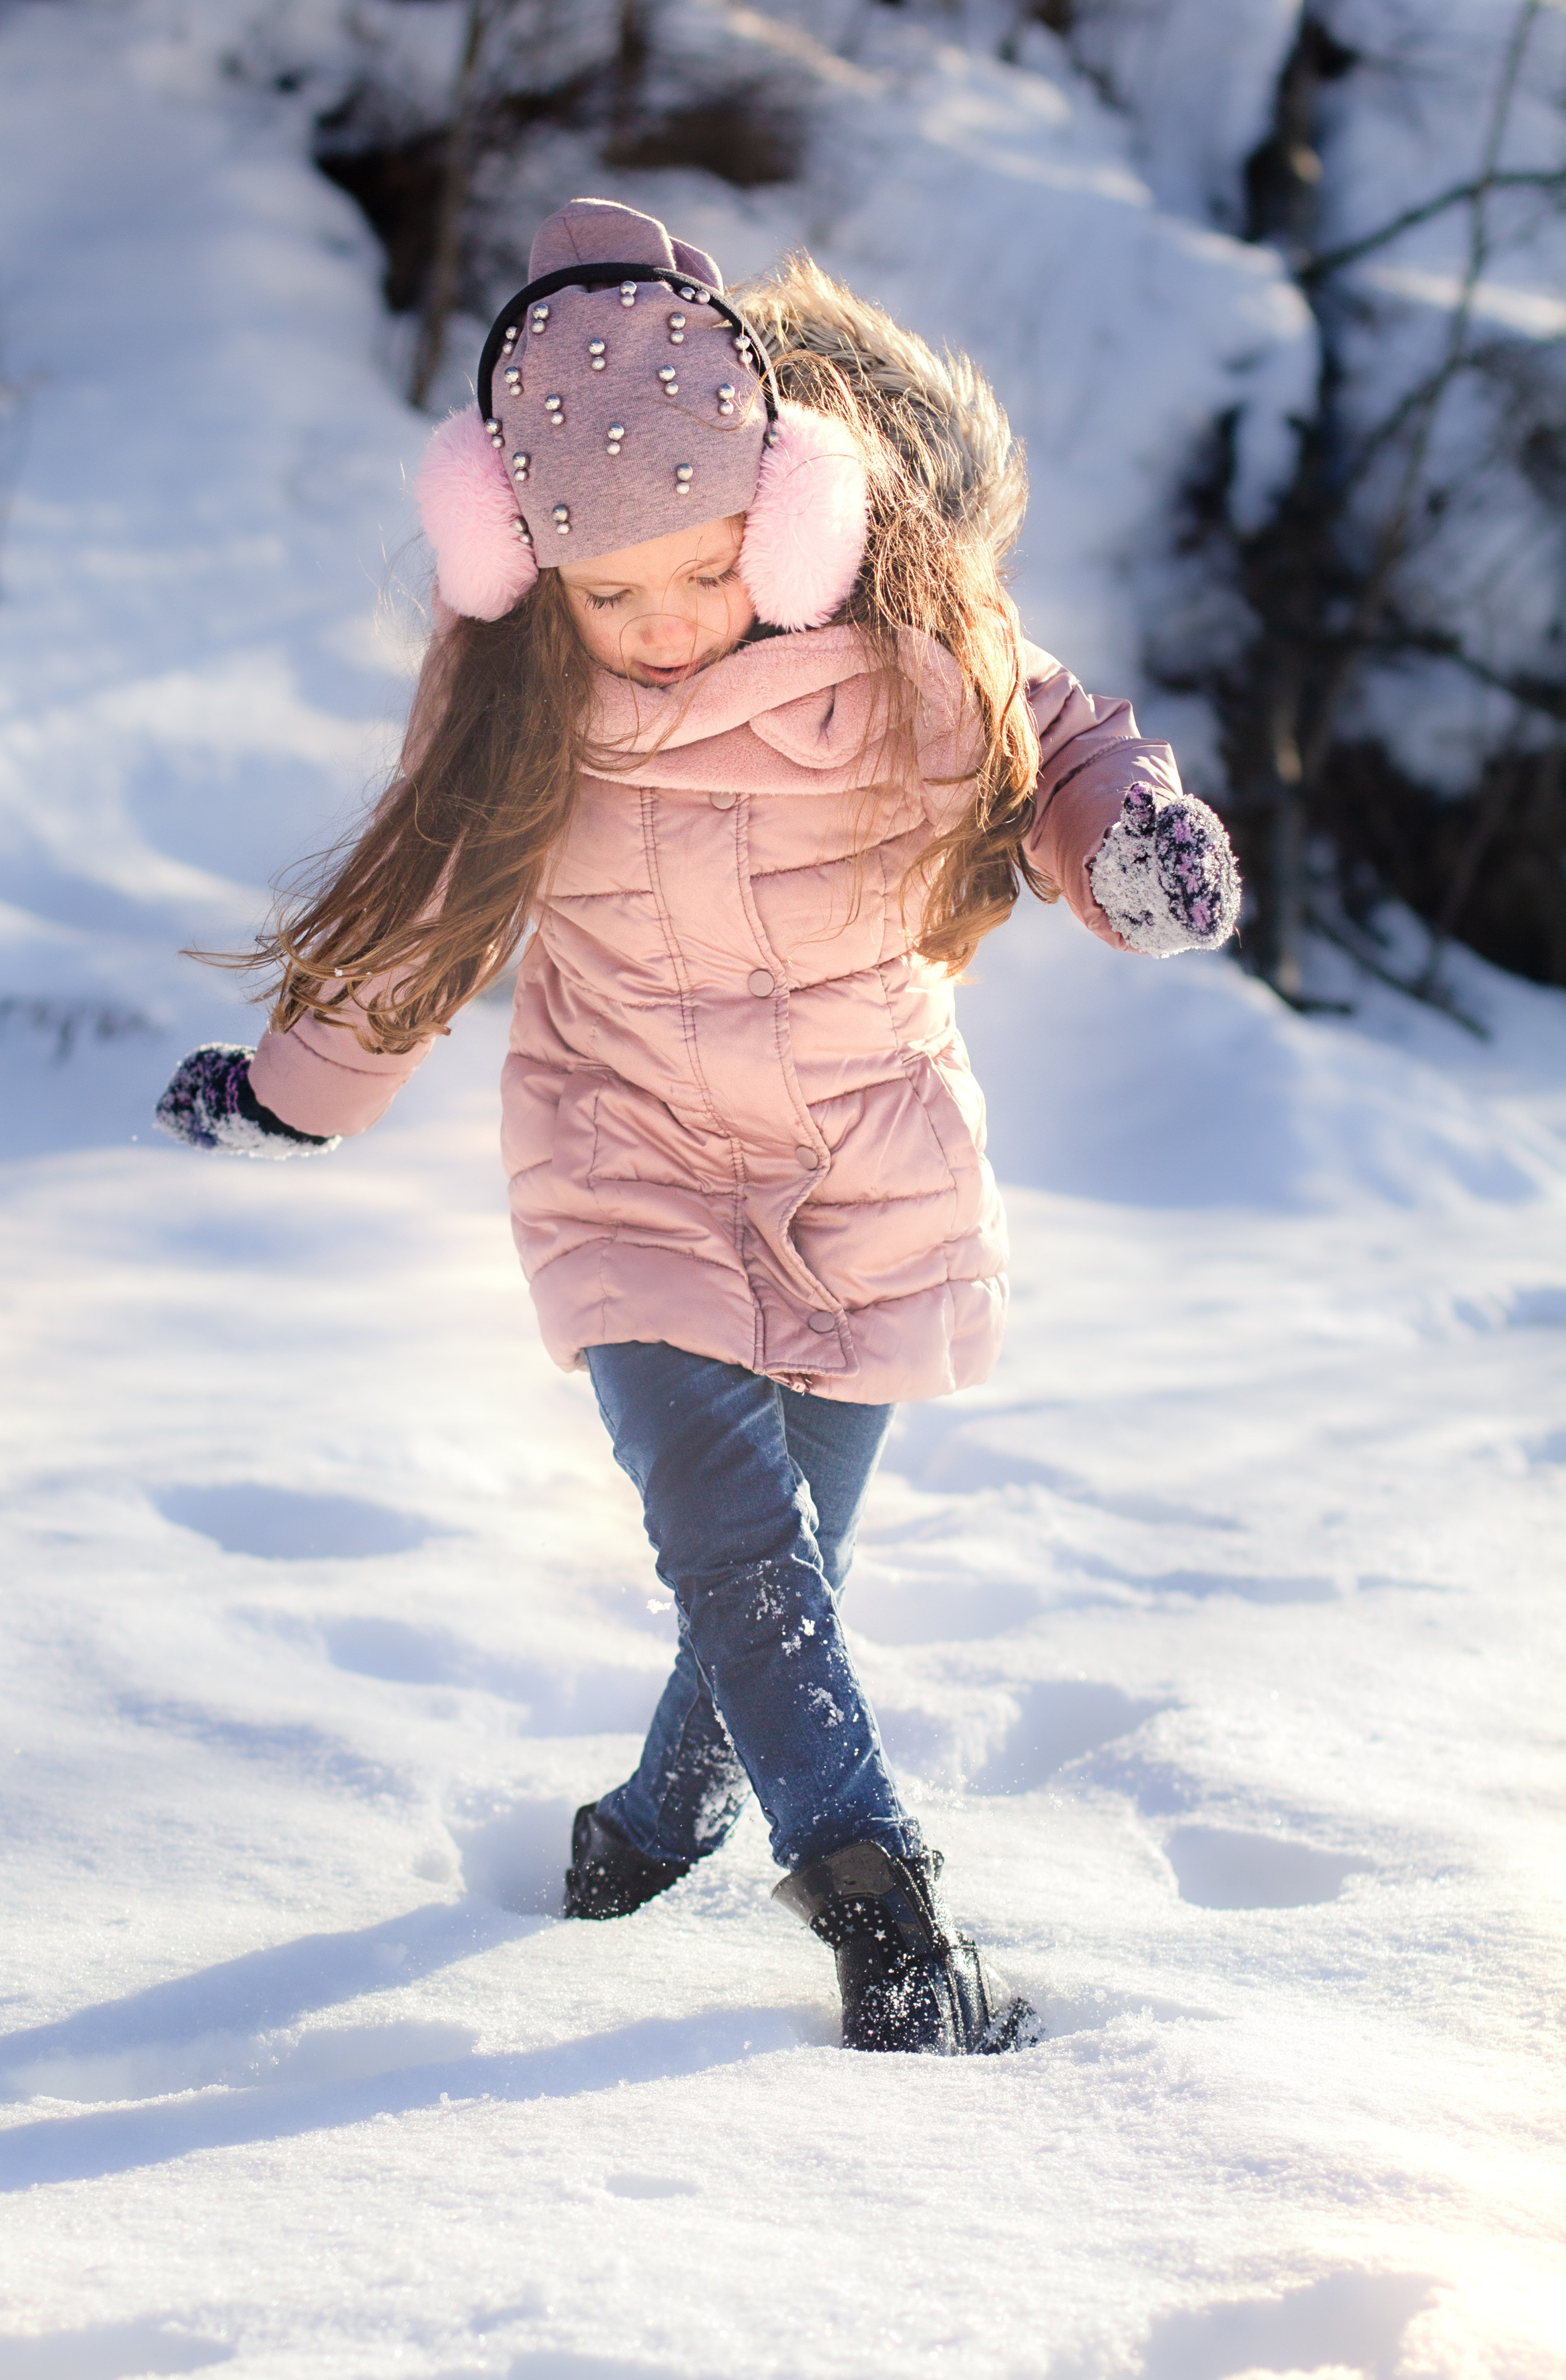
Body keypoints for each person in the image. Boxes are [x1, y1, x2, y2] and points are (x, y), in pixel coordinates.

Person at [156, 198, 1239, 2056]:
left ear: (794, 514)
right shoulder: (521, 703)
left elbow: (1055, 740)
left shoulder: (905, 636)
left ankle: (665, 1818)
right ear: (522, 567)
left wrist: (1125, 847)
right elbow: (422, 907)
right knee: (734, 1543)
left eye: (706, 567)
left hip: (864, 1162)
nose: (662, 626)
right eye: (608, 592)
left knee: (782, 1569)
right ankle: (876, 1897)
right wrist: (291, 1092)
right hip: (627, 1159)